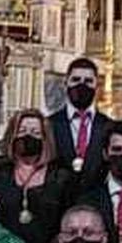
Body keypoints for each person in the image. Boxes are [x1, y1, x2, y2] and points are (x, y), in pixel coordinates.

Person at [0, 108, 70, 243]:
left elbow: (67, 222)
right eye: (22, 131)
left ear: (45, 138)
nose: (28, 136)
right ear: (12, 136)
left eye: (35, 132)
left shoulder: (61, 177)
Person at [47, 57, 110, 191]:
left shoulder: (108, 126)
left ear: (96, 86)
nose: (82, 85)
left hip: (96, 201)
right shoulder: (49, 124)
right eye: (76, 80)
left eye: (88, 81)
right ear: (66, 83)